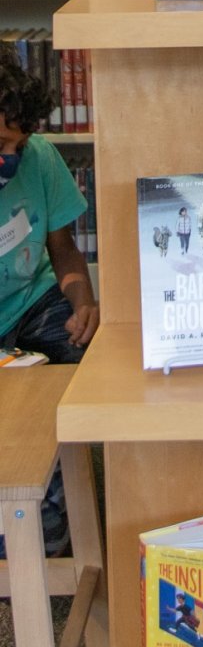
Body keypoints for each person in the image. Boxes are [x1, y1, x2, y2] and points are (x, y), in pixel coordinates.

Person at [0, 45, 100, 556]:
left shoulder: (39, 159)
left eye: (16, 144)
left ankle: (57, 517)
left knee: (75, 362)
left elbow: (62, 250)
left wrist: (82, 299)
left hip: (32, 302)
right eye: (0, 144)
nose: (9, 158)